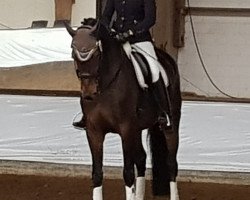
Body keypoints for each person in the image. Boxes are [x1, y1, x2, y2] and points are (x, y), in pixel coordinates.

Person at [73, 0, 169, 129]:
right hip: (117, 39)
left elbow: (150, 19)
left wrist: (131, 32)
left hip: (139, 40)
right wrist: (109, 30)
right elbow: (106, 16)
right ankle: (87, 115)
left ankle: (162, 112)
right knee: (96, 66)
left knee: (154, 70)